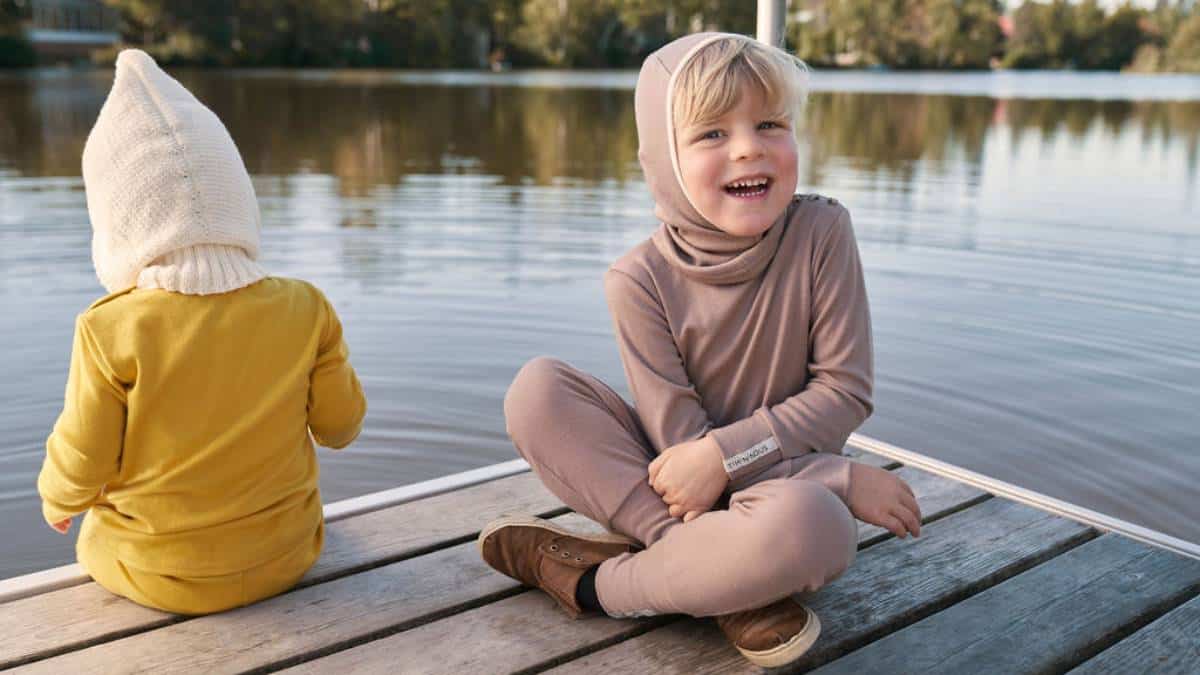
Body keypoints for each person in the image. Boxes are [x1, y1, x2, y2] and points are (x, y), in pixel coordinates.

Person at [477, 33, 921, 668]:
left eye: (770, 123)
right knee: (537, 392)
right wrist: (839, 476)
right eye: (712, 134)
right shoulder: (638, 280)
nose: (748, 147)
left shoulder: (822, 232)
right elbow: (681, 449)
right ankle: (724, 584)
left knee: (818, 528)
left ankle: (588, 583)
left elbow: (844, 393)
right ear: (664, 158)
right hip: (674, 491)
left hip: (776, 496)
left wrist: (731, 457)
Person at [37, 50, 367, 615]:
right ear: (238, 201)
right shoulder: (306, 307)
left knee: (96, 536)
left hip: (151, 573)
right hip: (287, 557)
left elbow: (82, 463)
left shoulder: (109, 328)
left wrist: (55, 499)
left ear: (116, 226)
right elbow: (341, 428)